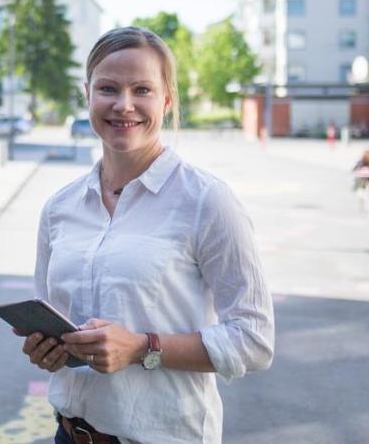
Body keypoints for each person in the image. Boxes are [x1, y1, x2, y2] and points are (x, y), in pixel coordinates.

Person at [19, 26, 274, 444]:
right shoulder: (59, 208)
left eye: (142, 89)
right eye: (108, 88)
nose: (124, 105)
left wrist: (141, 347)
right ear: (87, 94)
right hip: (69, 434)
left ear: (167, 99)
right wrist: (46, 350)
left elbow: (253, 339)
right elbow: (53, 319)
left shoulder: (206, 201)